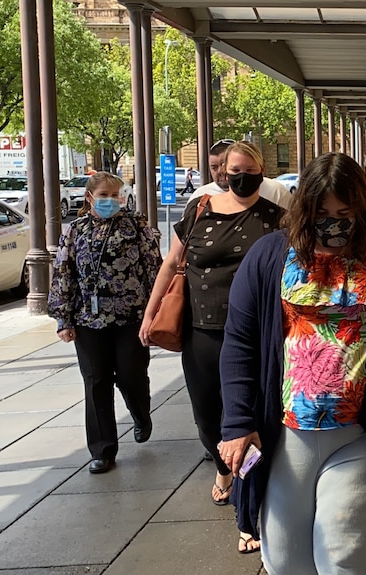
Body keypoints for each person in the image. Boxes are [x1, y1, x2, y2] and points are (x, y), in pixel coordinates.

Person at [217, 152, 366, 574]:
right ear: (303, 210)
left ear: (362, 209)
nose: (333, 223)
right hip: (286, 437)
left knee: (344, 551)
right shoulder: (268, 257)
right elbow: (239, 342)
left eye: (344, 213)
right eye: (321, 213)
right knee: (284, 558)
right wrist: (237, 423)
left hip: (362, 435)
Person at [139, 141, 286, 553]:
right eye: (233, 169)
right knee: (207, 413)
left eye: (249, 169)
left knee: (248, 415)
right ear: (222, 171)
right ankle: (224, 466)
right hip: (202, 330)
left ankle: (248, 502)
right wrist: (149, 314)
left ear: (261, 170)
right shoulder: (199, 210)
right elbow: (171, 263)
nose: (239, 176)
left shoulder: (276, 220)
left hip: (254, 331)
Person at [48, 172, 162, 475]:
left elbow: (154, 268)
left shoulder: (136, 226)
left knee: (131, 375)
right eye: (104, 195)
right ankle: (102, 449)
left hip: (130, 317)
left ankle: (140, 413)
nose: (111, 200)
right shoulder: (75, 231)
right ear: (89, 197)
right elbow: (63, 275)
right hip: (88, 319)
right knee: (96, 381)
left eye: (116, 194)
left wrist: (156, 312)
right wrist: (64, 318)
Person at [189, 139, 292, 211]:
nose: (220, 171)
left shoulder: (276, 192)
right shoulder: (200, 198)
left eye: (249, 169)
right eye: (214, 167)